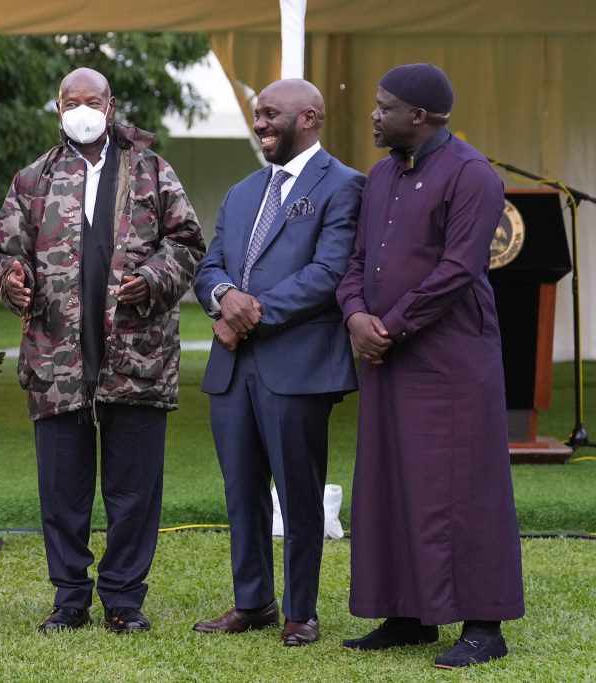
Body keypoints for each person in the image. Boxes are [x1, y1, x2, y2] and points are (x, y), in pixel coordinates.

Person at [0, 67, 205, 634]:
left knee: (133, 488)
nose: (82, 109)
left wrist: (154, 278)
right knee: (62, 489)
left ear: (111, 106)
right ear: (58, 107)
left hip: (137, 353)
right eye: (70, 101)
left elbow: (188, 243)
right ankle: (70, 598)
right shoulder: (33, 178)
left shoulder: (152, 172)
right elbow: (3, 251)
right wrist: (11, 278)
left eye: (93, 100)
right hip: (56, 357)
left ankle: (124, 600)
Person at [336, 63, 525, 669]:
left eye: (384, 106)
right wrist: (355, 315)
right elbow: (357, 260)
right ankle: (407, 615)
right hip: (388, 354)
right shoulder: (383, 174)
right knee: (392, 478)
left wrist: (389, 324)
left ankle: (484, 627)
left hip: (450, 360)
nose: (374, 115)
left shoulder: (472, 175)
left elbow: (459, 269)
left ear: (419, 115)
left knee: (463, 487)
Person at [191, 79, 364, 646]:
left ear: (309, 117)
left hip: (297, 368)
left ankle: (301, 611)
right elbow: (209, 265)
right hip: (233, 370)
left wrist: (247, 314)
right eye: (257, 114)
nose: (260, 122)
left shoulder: (344, 186)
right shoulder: (243, 191)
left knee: (298, 494)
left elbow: (328, 273)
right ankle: (253, 602)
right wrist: (222, 297)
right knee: (241, 492)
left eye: (271, 114)